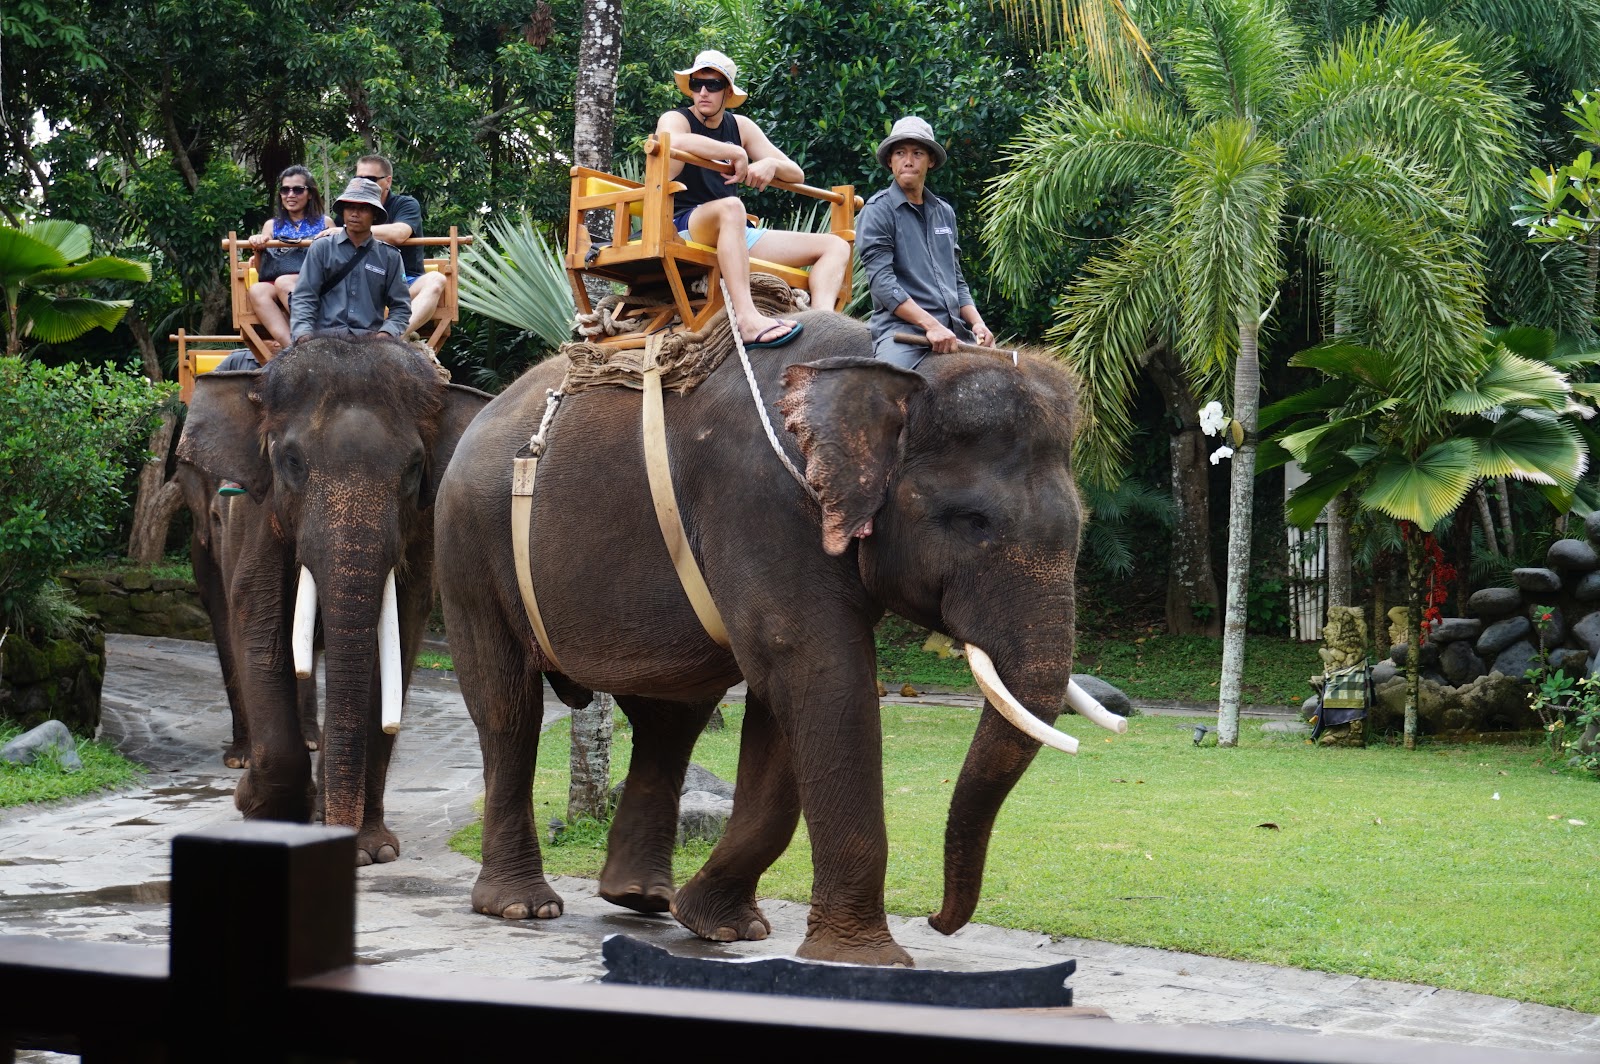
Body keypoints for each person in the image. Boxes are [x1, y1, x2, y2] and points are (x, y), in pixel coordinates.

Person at [653, 49, 850, 349]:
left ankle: (820, 323)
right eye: (697, 84)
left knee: (835, 245)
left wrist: (770, 165)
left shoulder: (740, 126)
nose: (703, 92)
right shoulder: (676, 118)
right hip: (682, 223)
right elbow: (672, 141)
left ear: (727, 91)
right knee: (733, 207)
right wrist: (734, 152)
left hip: (732, 230)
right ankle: (747, 318)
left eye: (713, 85)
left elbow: (795, 173)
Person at [856, 116, 993, 370]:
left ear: (930, 161)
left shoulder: (945, 212)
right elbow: (882, 284)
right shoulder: (877, 211)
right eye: (900, 153)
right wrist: (931, 326)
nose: (908, 160)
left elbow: (957, 279)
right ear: (890, 161)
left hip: (954, 331)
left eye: (917, 153)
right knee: (889, 391)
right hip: (903, 334)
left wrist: (977, 323)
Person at [316, 154, 447, 335]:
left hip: (404, 281)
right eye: (358, 178)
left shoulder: (405, 204)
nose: (364, 183)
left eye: (370, 179)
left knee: (436, 279)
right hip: (360, 283)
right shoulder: (348, 210)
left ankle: (392, 340)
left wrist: (349, 230)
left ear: (388, 181)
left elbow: (400, 234)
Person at [288, 177, 411, 342]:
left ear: (375, 214)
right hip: (324, 339)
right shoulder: (322, 248)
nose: (354, 213)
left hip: (370, 341)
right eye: (350, 207)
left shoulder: (390, 256)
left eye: (363, 209)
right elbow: (304, 297)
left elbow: (401, 308)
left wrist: (386, 335)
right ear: (343, 211)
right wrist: (303, 335)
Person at [246, 165, 332, 351]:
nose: (290, 195)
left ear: (310, 194)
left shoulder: (325, 222)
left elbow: (334, 259)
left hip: (314, 279)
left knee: (283, 282)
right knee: (257, 290)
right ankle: (293, 349)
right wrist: (258, 248)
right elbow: (263, 271)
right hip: (277, 280)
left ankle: (308, 331)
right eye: (285, 190)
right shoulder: (272, 225)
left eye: (298, 189)